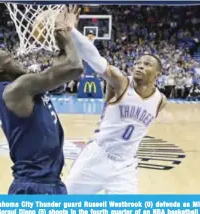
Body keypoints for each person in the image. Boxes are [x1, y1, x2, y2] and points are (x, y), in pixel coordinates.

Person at [63, 6, 168, 194]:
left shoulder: (160, 100)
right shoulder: (121, 83)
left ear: (158, 73)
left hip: (125, 167)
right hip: (97, 158)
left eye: (147, 64)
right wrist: (72, 30)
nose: (140, 66)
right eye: (138, 63)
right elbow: (95, 59)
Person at [0, 7, 83, 194]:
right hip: (35, 187)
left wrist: (68, 34)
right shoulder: (17, 89)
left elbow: (61, 66)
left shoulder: (18, 89)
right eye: (10, 58)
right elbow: (75, 67)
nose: (17, 58)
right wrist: (63, 33)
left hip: (48, 182)